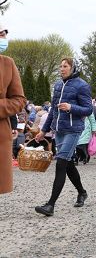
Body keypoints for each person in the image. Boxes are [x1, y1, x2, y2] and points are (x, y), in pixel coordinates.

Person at [35, 58, 93, 216]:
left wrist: (70, 107)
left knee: (60, 163)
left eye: (65, 66)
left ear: (73, 68)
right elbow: (53, 111)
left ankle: (50, 205)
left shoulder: (82, 85)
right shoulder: (58, 85)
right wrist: (43, 131)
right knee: (67, 164)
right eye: (60, 66)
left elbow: (88, 109)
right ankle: (82, 192)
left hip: (73, 130)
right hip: (59, 130)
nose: (62, 69)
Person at [0, 23, 27, 195]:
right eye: (0, 34)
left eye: (3, 35)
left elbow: (19, 100)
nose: (3, 38)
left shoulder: (7, 64)